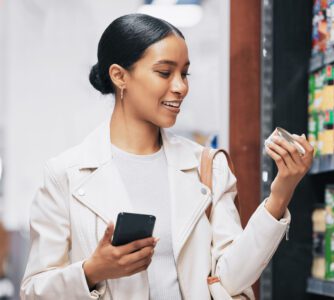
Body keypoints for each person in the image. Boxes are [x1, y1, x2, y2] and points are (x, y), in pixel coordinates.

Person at [20, 14, 313, 300]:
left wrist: (281, 191)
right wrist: (93, 270)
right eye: (165, 72)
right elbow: (34, 290)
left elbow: (231, 278)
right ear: (119, 76)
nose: (181, 87)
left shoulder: (207, 166)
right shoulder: (66, 174)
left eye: (184, 73)